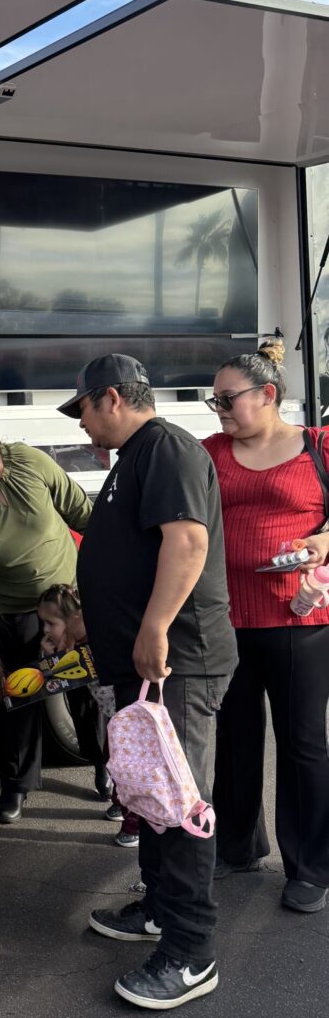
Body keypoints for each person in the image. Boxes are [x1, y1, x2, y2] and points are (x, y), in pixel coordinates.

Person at [63, 353, 237, 1011]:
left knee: (182, 801)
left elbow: (186, 543)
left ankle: (192, 952)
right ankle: (161, 909)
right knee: (151, 795)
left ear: (109, 398)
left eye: (80, 408)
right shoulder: (134, 457)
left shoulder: (165, 447)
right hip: (142, 666)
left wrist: (156, 626)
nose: (79, 424)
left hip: (178, 663)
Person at [0, 399, 105, 824]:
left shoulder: (29, 462)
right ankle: (17, 787)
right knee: (20, 694)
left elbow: (80, 510)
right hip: (11, 609)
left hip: (72, 601)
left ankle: (110, 773)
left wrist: (114, 567)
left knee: (91, 694)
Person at [202, 352, 329, 914]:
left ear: (268, 394)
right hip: (226, 618)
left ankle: (309, 867)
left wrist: (323, 544)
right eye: (215, 400)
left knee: (303, 745)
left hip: (300, 620)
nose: (219, 409)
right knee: (235, 737)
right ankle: (237, 844)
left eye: (227, 399)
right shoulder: (209, 452)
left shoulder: (320, 447)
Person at [37, 583, 140, 848]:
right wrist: (55, 656)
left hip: (130, 715)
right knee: (112, 759)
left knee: (126, 768)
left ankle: (135, 824)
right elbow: (60, 680)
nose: (46, 630)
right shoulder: (79, 642)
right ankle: (120, 803)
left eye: (50, 623)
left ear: (75, 619)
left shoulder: (100, 640)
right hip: (115, 715)